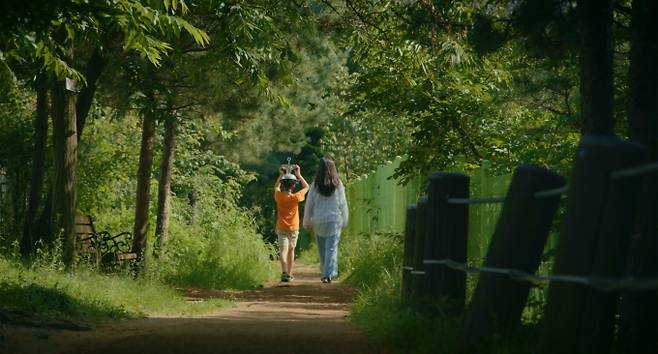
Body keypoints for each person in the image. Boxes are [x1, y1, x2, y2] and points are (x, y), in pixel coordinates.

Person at [303, 157, 348, 283]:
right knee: (331, 248)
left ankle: (325, 272)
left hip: (319, 221)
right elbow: (343, 204)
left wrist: (307, 221)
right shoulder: (338, 185)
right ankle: (328, 274)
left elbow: (309, 205)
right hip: (334, 220)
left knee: (322, 249)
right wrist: (345, 219)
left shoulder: (315, 186)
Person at [274, 163, 309, 282]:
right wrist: (299, 174)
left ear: (283, 184)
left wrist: (281, 175)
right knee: (291, 250)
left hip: (281, 227)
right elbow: (306, 187)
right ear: (294, 185)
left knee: (283, 250)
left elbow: (276, 188)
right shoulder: (296, 197)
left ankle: (284, 272)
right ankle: (289, 273)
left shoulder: (279, 196)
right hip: (293, 229)